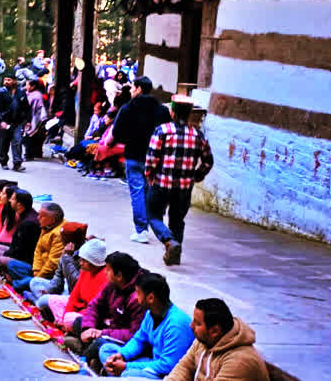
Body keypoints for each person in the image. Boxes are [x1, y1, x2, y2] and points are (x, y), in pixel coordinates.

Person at [145, 94, 213, 266]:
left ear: (172, 112)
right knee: (177, 220)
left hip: (162, 183)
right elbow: (208, 161)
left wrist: (150, 175)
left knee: (152, 215)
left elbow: (152, 158)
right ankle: (174, 254)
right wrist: (197, 175)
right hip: (184, 187)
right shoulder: (198, 135)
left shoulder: (162, 131)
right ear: (189, 113)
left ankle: (169, 242)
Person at [111, 77, 171, 244]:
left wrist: (129, 139)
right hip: (155, 157)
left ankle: (141, 230)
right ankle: (159, 228)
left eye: (132, 88)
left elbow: (117, 133)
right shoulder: (162, 110)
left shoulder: (127, 109)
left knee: (137, 192)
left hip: (133, 155)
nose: (130, 91)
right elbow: (168, 133)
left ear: (138, 89)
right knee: (150, 192)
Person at [99, 273, 194, 378]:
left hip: (167, 375)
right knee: (107, 350)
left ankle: (114, 375)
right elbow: (139, 340)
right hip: (153, 363)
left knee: (128, 374)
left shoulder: (176, 325)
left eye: (138, 293)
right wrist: (122, 355)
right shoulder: (151, 313)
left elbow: (168, 366)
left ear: (150, 298)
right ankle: (115, 374)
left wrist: (126, 366)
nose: (135, 297)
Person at [165, 298, 269, 381]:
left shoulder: (240, 360)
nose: (191, 326)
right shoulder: (203, 341)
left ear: (215, 331)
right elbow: (184, 368)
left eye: (198, 323)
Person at [71, 252, 147, 365]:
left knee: (100, 344)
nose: (105, 273)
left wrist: (102, 333)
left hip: (124, 339)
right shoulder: (112, 285)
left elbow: (134, 334)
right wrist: (88, 328)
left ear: (119, 275)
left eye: (108, 270)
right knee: (79, 322)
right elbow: (95, 305)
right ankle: (91, 354)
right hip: (110, 328)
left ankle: (85, 355)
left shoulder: (138, 297)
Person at [36, 237, 109, 330]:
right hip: (77, 308)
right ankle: (64, 324)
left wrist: (68, 317)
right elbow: (74, 296)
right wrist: (65, 316)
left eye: (85, 261)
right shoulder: (85, 271)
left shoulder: (105, 277)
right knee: (43, 300)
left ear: (94, 262)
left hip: (89, 315)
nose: (81, 263)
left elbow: (95, 310)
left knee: (71, 320)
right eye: (81, 259)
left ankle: (70, 329)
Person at [2, 202, 65, 293]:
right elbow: (38, 251)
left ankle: (17, 283)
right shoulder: (46, 226)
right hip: (38, 269)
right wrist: (36, 271)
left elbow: (53, 264)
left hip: (49, 276)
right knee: (12, 265)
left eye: (42, 216)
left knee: (28, 282)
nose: (38, 218)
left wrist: (38, 277)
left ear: (52, 219)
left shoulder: (59, 234)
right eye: (38, 214)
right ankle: (26, 283)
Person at [0, 73, 22, 170]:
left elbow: (25, 106)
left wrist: (27, 120)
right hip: (5, 121)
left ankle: (17, 163)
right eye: (5, 79)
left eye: (9, 80)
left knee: (17, 141)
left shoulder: (20, 92)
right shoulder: (1, 92)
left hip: (17, 122)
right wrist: (1, 120)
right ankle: (3, 161)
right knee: (4, 143)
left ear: (14, 81)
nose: (6, 82)